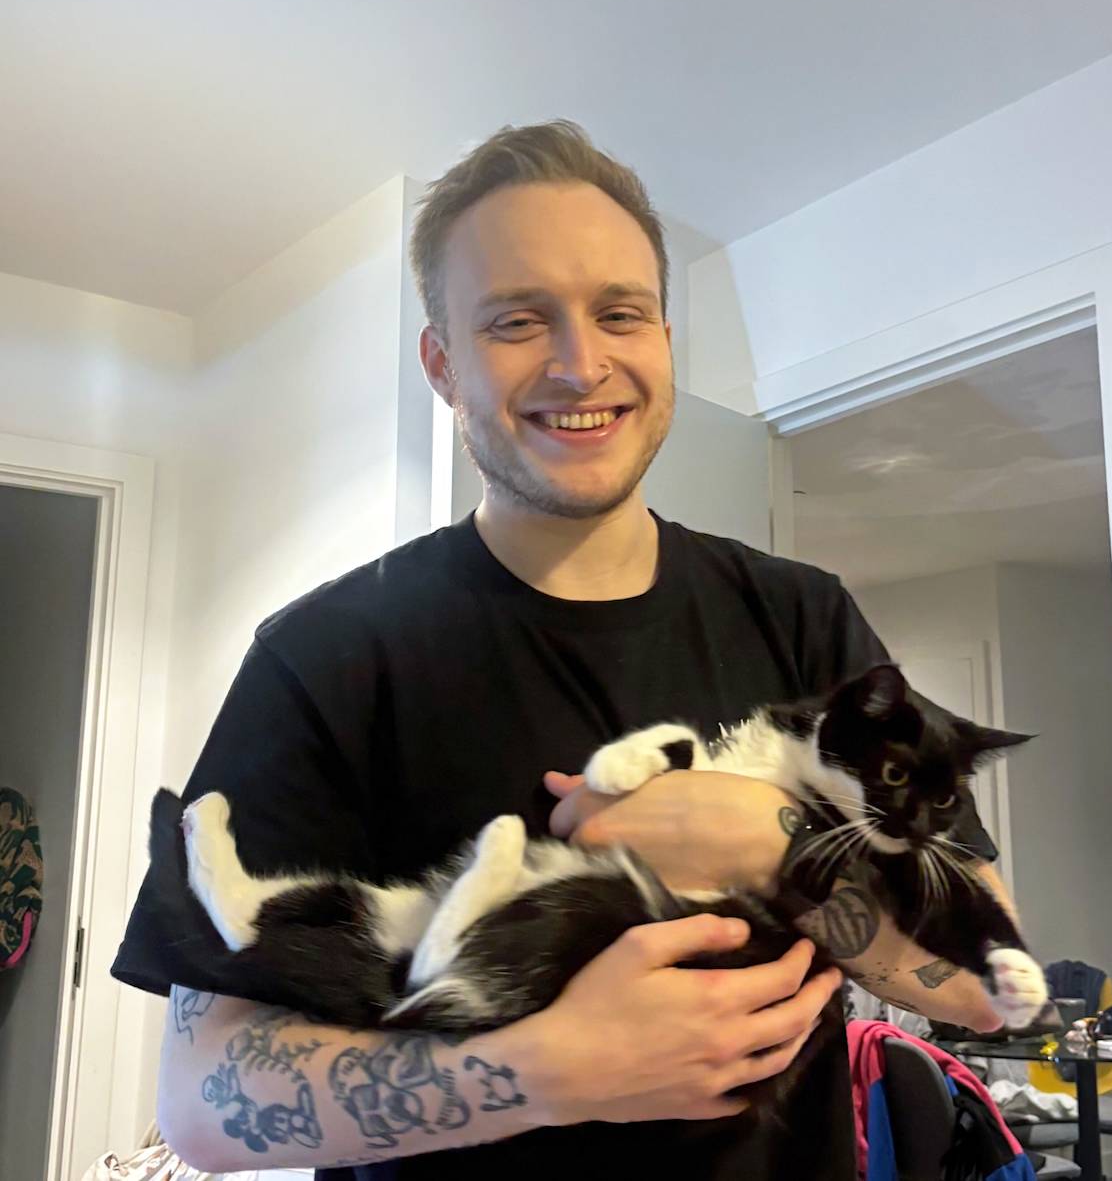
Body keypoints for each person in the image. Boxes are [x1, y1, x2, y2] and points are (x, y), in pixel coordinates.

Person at [112, 121, 1009, 1180]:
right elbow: (204, 1102)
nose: (581, 363)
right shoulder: (329, 657)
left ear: (664, 339)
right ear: (443, 363)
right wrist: (544, 1069)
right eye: (518, 319)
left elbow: (988, 982)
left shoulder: (808, 619)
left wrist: (770, 841)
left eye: (619, 312)